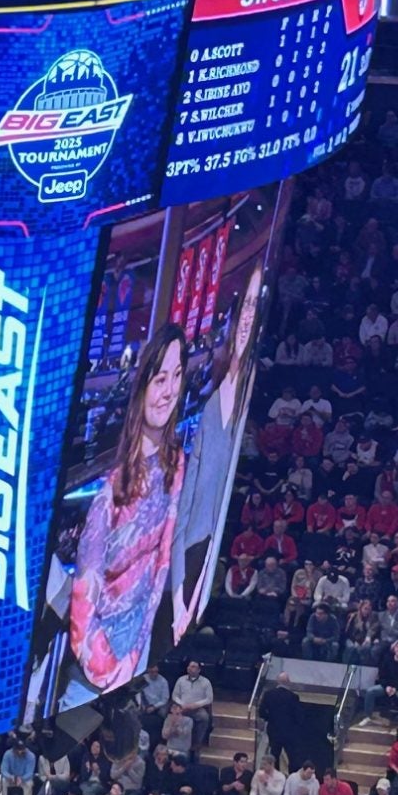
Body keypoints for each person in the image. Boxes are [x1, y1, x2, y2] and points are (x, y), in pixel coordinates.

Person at [58, 325, 189, 703]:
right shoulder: (110, 483)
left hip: (137, 647)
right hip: (98, 664)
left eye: (177, 376)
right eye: (160, 378)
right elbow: (86, 591)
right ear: (143, 385)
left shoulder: (175, 463)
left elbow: (164, 552)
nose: (168, 391)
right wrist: (104, 664)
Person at [172, 266, 264, 643]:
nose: (246, 320)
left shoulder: (250, 383)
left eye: (255, 307)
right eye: (244, 307)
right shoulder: (213, 395)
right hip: (193, 529)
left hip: (213, 531)